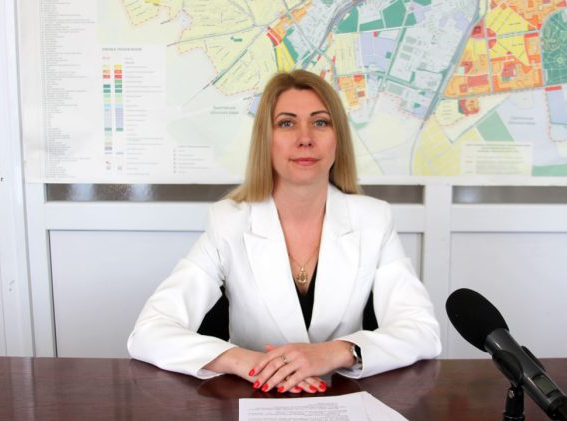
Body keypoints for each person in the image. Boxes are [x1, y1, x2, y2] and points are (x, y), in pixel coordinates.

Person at [127, 69, 441, 394]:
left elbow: (422, 331)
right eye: (287, 123)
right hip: (255, 396)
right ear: (266, 139)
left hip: (340, 400)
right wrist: (244, 361)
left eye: (320, 122)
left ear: (338, 139)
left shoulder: (373, 219)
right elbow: (149, 332)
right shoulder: (228, 222)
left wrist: (337, 351)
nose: (305, 138)